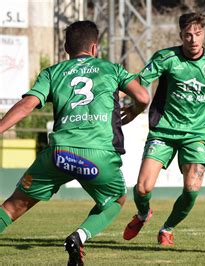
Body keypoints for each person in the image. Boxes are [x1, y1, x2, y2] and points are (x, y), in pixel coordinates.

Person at [0, 21, 150, 265]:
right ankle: (78, 237)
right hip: (98, 156)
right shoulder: (111, 69)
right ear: (94, 47)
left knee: (11, 207)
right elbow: (143, 96)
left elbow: (27, 105)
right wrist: (134, 110)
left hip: (59, 153)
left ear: (66, 47)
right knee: (116, 200)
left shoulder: (52, 72)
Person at [122, 12, 205, 247]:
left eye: (198, 34)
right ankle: (143, 215)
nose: (193, 39)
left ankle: (167, 229)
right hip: (163, 131)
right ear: (180, 35)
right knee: (142, 188)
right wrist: (118, 96)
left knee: (192, 189)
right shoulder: (166, 58)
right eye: (188, 35)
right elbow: (139, 80)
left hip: (196, 135)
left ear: (204, 34)